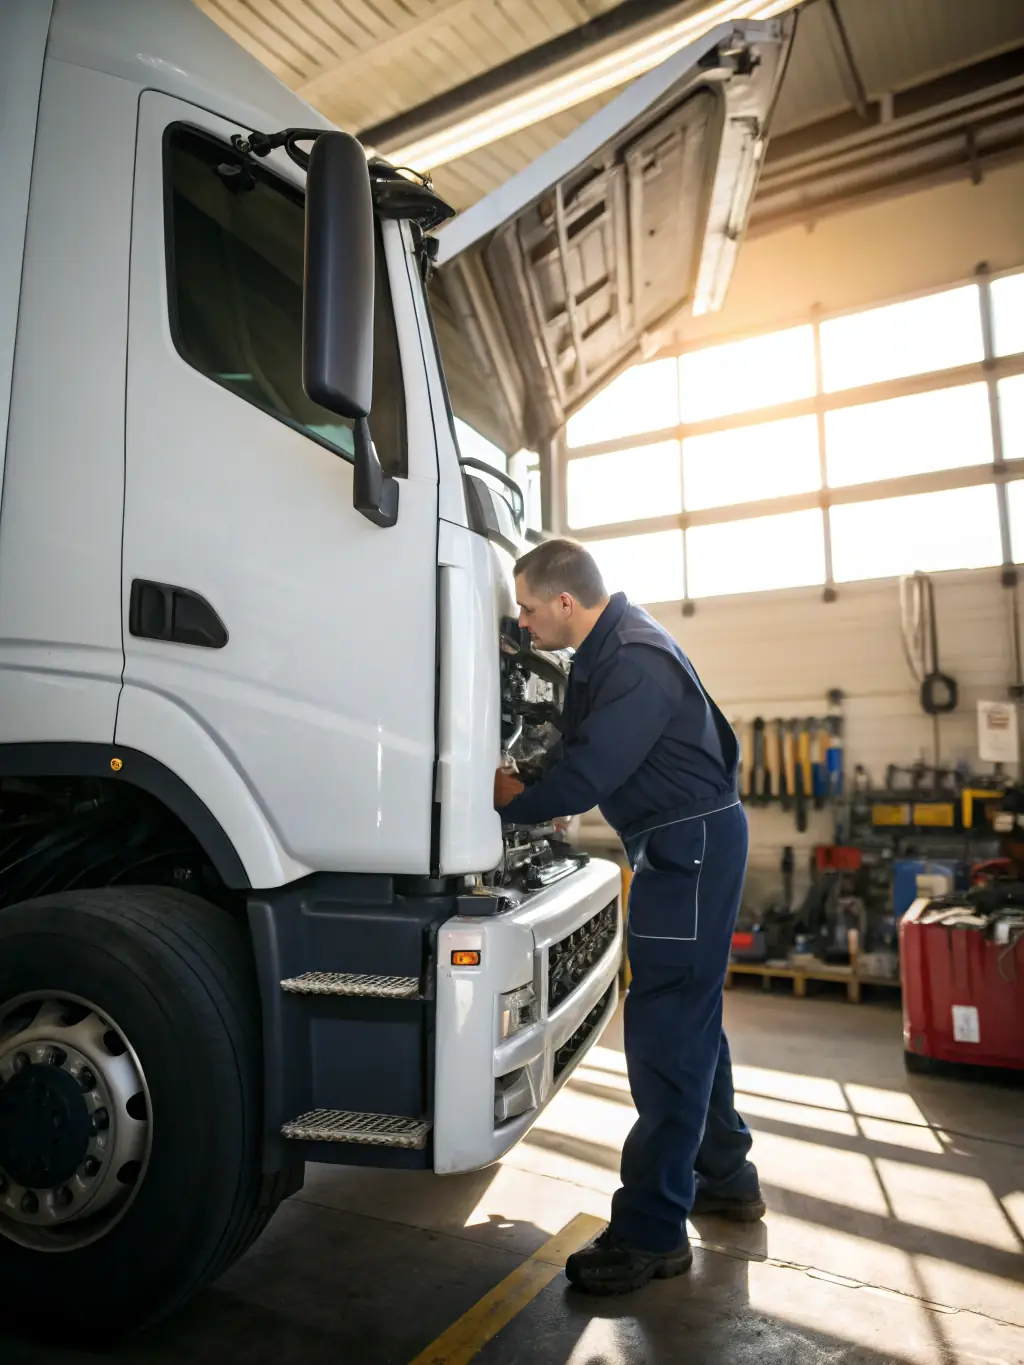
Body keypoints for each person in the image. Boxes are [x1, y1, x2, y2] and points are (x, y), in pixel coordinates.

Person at [494, 538, 763, 1296]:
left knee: (666, 1026)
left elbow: (589, 772)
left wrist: (513, 798)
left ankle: (652, 1229)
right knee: (692, 1015)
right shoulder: (610, 646)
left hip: (691, 847)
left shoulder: (634, 659)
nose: (522, 621)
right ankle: (727, 1174)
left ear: (566, 603)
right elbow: (582, 742)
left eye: (527, 607)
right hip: (681, 838)